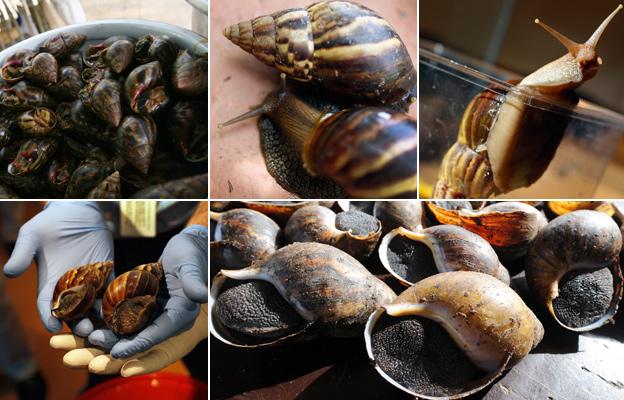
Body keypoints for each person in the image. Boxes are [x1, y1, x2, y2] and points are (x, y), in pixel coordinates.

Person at [2, 201, 208, 382]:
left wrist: (202, 228)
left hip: (179, 227)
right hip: (99, 232)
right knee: (102, 353)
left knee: (202, 355)